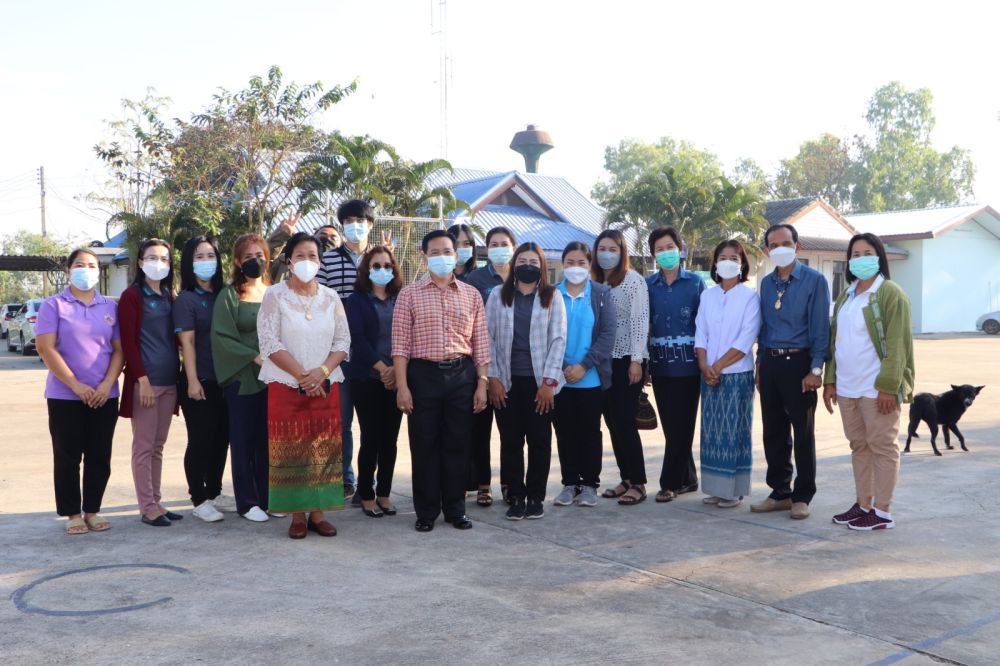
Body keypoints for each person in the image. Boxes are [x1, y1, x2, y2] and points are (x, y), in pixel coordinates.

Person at [392, 229, 490, 533]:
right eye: (434, 252)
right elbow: (400, 345)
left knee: (458, 444)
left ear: (457, 255)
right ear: (424, 258)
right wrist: (402, 387)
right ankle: (426, 511)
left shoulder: (472, 295)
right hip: (423, 376)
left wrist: (482, 383)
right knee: (424, 445)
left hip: (462, 375)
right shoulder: (409, 295)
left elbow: (481, 343)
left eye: (447, 251)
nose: (442, 257)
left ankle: (455, 509)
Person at [258, 232, 351, 539]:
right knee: (291, 449)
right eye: (300, 255)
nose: (307, 261)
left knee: (322, 449)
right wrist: (303, 376)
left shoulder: (331, 297)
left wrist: (321, 372)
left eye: (313, 256)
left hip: (326, 384)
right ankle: (297, 515)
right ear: (289, 261)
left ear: (320, 262)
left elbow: (343, 341)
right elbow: (269, 342)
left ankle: (319, 513)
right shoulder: (275, 295)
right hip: (286, 384)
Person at [823, 233, 914, 531]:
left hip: (876, 389)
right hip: (848, 387)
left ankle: (883, 512)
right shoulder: (846, 296)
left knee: (883, 447)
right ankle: (863, 504)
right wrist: (830, 380)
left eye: (867, 253)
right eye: (855, 254)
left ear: (879, 257)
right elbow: (836, 341)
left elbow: (898, 345)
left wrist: (889, 386)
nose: (861, 259)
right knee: (859, 447)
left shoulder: (890, 293)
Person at [35, 248, 124, 534]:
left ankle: (93, 511)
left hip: (104, 395)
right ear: (68, 270)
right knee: (67, 456)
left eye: (92, 265)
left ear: (99, 270)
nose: (86, 269)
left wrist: (107, 384)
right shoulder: (54, 305)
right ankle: (72, 513)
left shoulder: (110, 307)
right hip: (65, 396)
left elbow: (119, 350)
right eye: (79, 265)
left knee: (100, 455)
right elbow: (45, 348)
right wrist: (76, 385)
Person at [753, 223, 831, 520]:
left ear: (798, 246)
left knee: (803, 432)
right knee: (773, 431)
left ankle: (802, 496)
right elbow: (763, 327)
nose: (780, 249)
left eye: (786, 243)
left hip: (800, 363)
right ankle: (780, 491)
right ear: (766, 250)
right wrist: (760, 363)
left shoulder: (814, 281)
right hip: (770, 362)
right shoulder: (766, 283)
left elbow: (820, 328)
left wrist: (816, 369)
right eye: (774, 245)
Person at [317, 199, 392, 504]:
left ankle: (370, 484)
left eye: (360, 220)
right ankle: (345, 478)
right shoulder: (328, 260)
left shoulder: (380, 260)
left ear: (370, 224)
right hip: (340, 355)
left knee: (375, 426)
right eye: (348, 221)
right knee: (342, 421)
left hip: (374, 355)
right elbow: (319, 301)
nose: (355, 226)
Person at [487, 242, 566, 520]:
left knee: (539, 441)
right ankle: (516, 497)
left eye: (533, 262)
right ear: (514, 265)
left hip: (540, 384)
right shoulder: (498, 295)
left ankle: (535, 497)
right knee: (510, 442)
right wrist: (493, 378)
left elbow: (558, 340)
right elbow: (488, 338)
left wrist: (548, 383)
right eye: (522, 261)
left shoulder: (552, 296)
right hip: (506, 382)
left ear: (541, 266)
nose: (527, 266)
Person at [118, 238, 180, 527]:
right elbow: (128, 344)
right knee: (143, 447)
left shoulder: (168, 295)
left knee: (158, 446)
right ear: (141, 263)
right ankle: (147, 507)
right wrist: (141, 380)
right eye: (152, 258)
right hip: (146, 382)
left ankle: (156, 501)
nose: (159, 263)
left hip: (169, 381)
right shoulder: (132, 296)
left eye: (164, 259)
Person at [694, 239, 761, 509]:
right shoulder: (707, 296)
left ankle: (733, 491)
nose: (728, 262)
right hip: (708, 374)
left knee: (734, 432)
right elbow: (700, 332)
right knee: (712, 434)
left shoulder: (750, 297)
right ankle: (715, 488)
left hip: (736, 374)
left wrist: (718, 366)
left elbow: (746, 338)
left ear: (742, 264)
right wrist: (704, 365)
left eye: (734, 258)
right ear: (715, 263)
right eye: (723, 257)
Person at [173, 236, 235, 522]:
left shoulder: (224, 294)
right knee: (200, 439)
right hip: (200, 379)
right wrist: (193, 380)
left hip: (226, 379)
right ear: (189, 262)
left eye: (211, 255)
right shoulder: (186, 300)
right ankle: (198, 498)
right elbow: (187, 343)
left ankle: (215, 491)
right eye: (199, 256)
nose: (206, 261)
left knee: (221, 438)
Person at [212, 234, 271, 523]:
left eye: (260, 255)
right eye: (248, 256)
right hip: (242, 376)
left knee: (268, 440)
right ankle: (247, 502)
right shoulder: (230, 295)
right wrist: (253, 357)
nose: (255, 261)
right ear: (237, 261)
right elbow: (221, 336)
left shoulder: (275, 293)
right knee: (243, 440)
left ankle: (269, 498)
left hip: (274, 377)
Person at [551, 242, 615, 508]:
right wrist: (565, 366)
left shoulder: (601, 293)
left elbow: (608, 334)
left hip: (591, 378)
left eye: (581, 263)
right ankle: (569, 484)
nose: (575, 268)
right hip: (560, 377)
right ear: (562, 264)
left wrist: (584, 366)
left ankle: (589, 484)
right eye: (570, 262)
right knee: (564, 432)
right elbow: (546, 333)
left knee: (589, 432)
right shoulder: (551, 294)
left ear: (589, 265)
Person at [646, 227, 705, 503]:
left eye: (669, 247)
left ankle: (669, 483)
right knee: (671, 426)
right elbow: (643, 325)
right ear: (653, 254)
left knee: (683, 425)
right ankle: (688, 478)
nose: (665, 253)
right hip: (660, 366)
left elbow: (705, 323)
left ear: (680, 249)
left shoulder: (695, 283)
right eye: (659, 249)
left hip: (689, 367)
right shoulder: (647, 285)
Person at [344, 246, 403, 518]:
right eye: (376, 265)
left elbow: (408, 335)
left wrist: (395, 372)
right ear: (366, 269)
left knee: (390, 440)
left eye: (387, 265)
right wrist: (382, 369)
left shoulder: (401, 298)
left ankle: (385, 494)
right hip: (367, 378)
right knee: (371, 438)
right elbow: (357, 338)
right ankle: (366, 494)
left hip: (396, 378)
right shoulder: (356, 300)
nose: (382, 270)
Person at [592, 229, 650, 506]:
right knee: (612, 421)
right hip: (602, 360)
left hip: (627, 359)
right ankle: (626, 477)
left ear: (622, 252)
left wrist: (636, 360)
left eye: (613, 249)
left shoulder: (632, 281)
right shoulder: (593, 281)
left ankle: (638, 483)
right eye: (602, 249)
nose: (607, 254)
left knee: (625, 422)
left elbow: (640, 321)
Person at [464, 226, 517, 506]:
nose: (499, 249)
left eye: (504, 243)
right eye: (493, 244)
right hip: (481, 366)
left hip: (514, 367)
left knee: (510, 431)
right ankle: (483, 485)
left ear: (513, 247)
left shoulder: (523, 277)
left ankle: (509, 483)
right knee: (479, 431)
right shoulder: (475, 279)